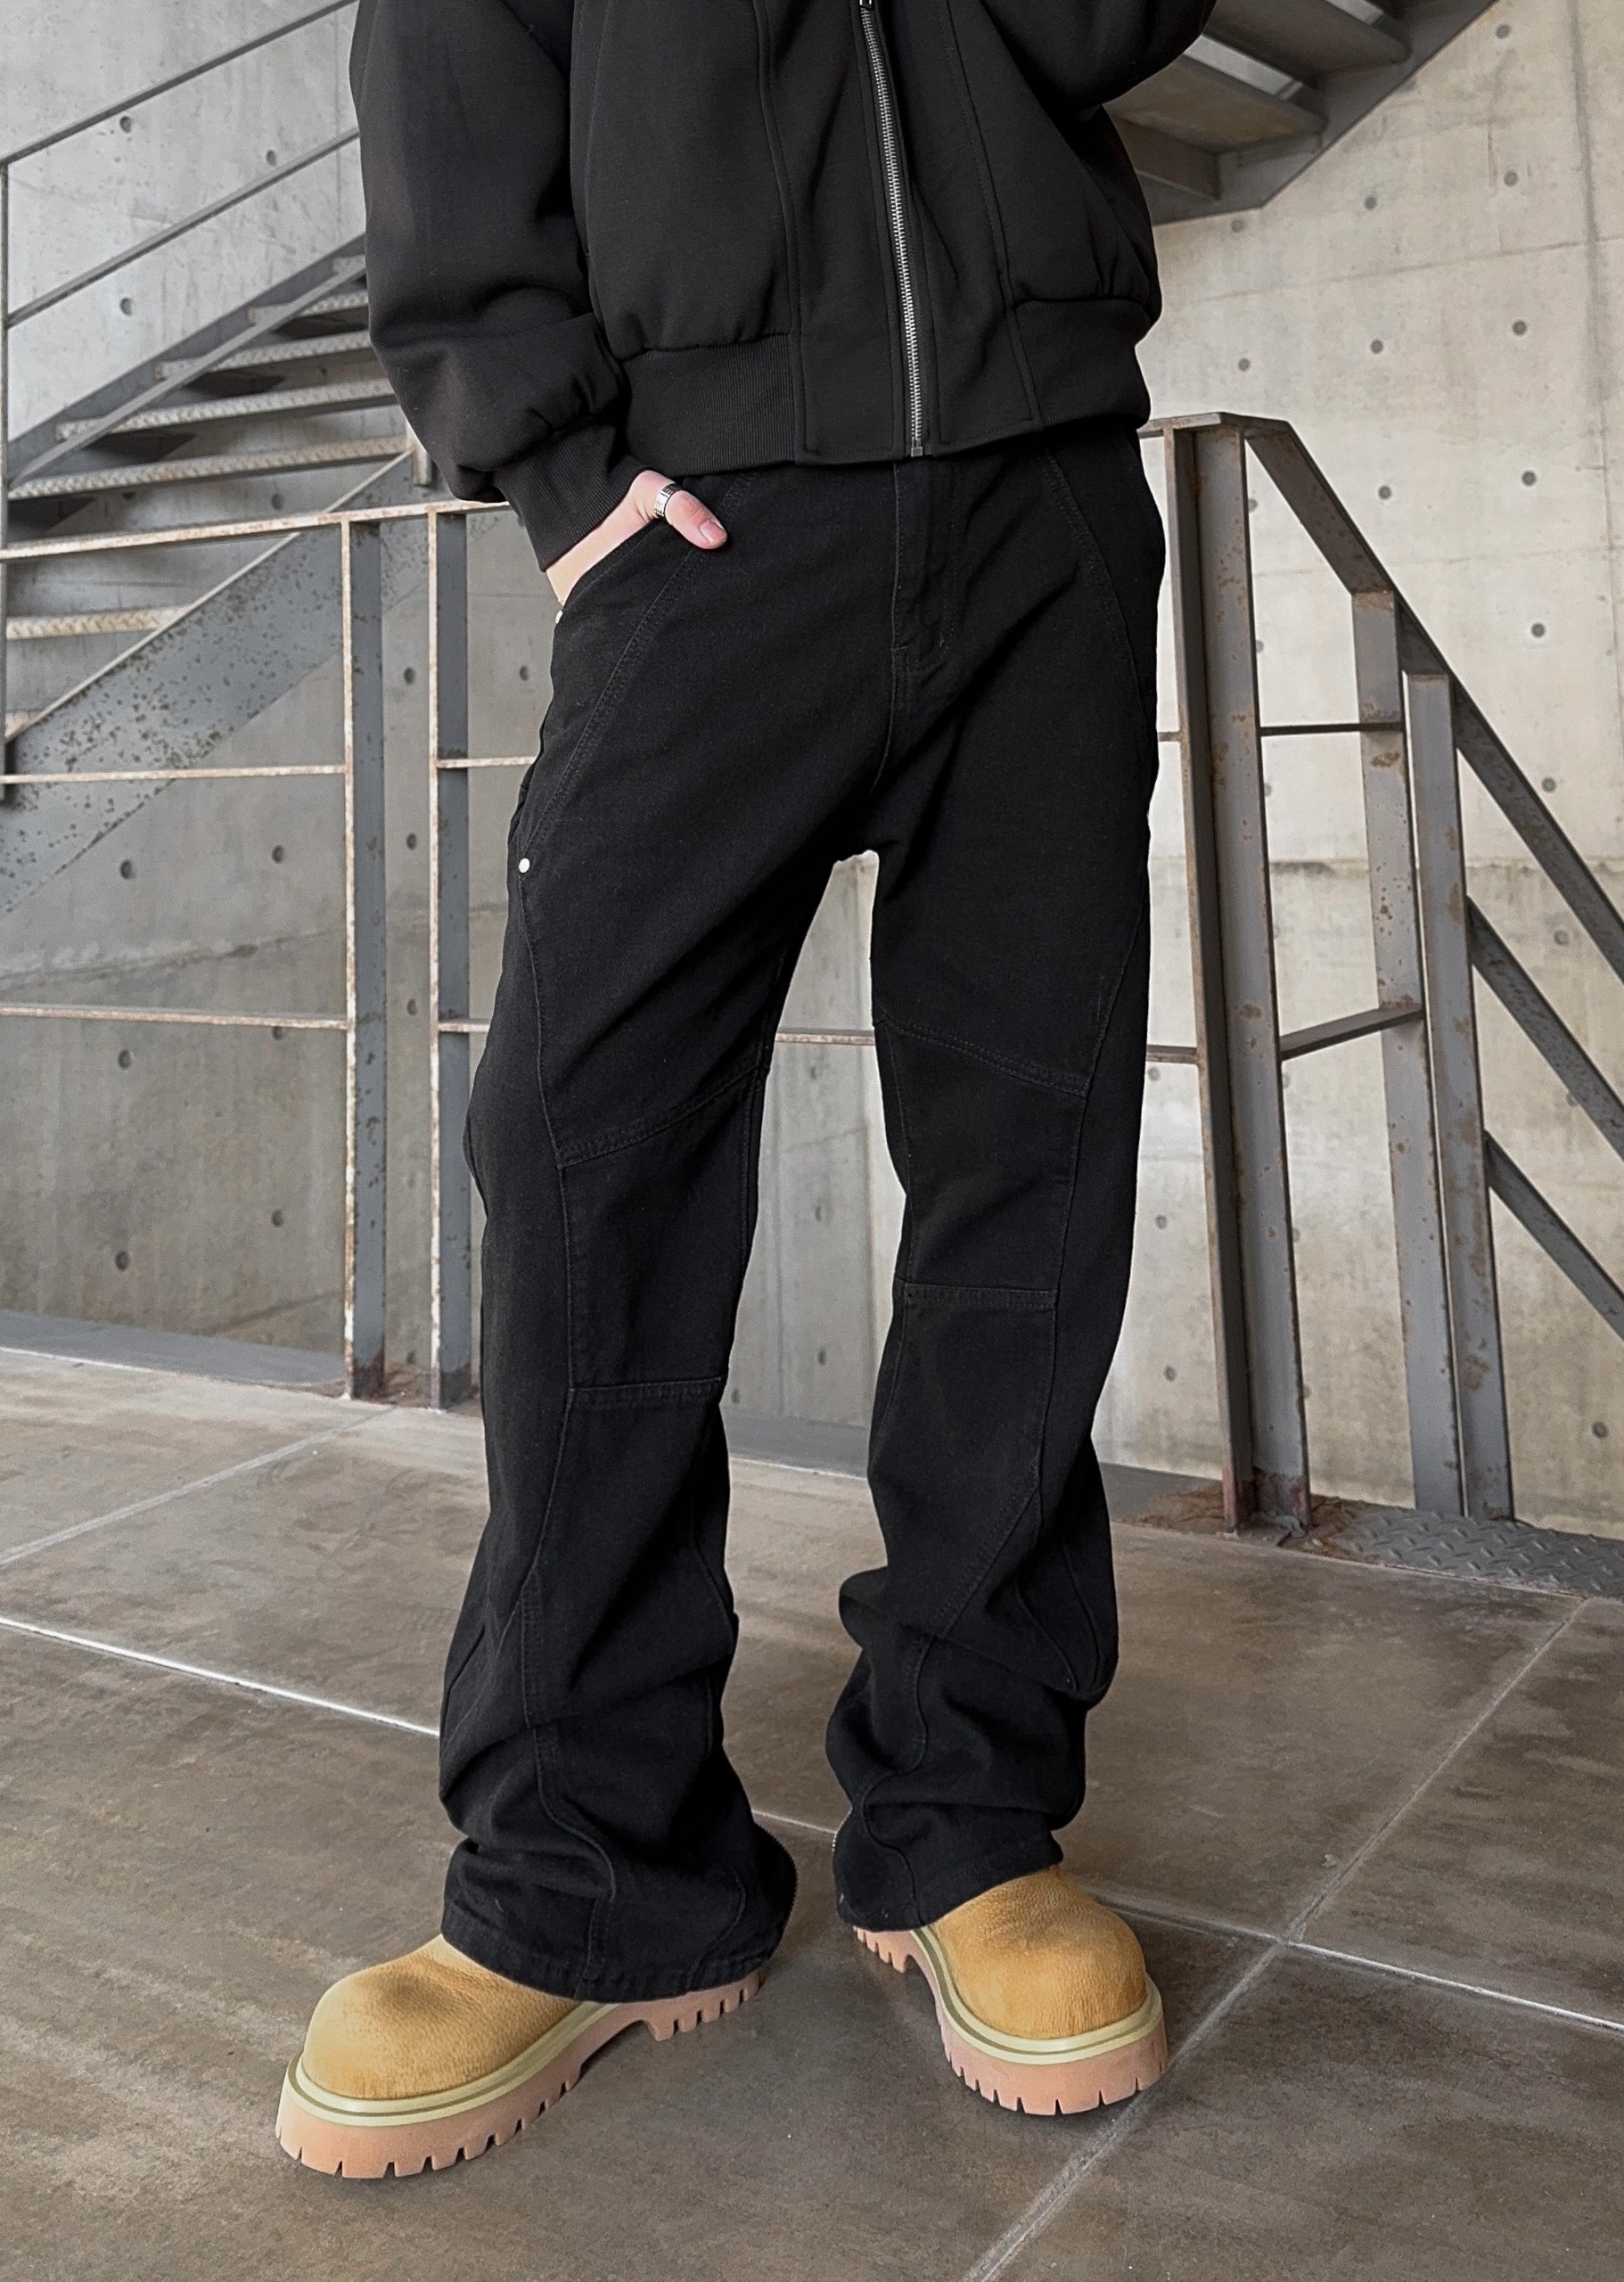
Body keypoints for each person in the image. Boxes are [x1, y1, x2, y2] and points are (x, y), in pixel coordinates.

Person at [276, 0, 1216, 2179]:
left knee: (1032, 1149)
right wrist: (555, 470)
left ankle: (969, 1809)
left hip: (1039, 497)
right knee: (581, 1151)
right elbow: (449, 71)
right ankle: (588, 1865)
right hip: (704, 528)